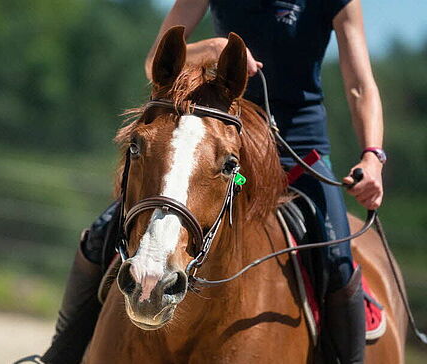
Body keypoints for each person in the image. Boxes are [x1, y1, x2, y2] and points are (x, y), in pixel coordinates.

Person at [31, 1, 385, 363]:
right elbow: (155, 61)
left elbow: (359, 85)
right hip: (210, 135)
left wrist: (373, 155)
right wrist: (213, 49)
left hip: (299, 152)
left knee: (338, 262)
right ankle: (59, 356)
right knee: (102, 233)